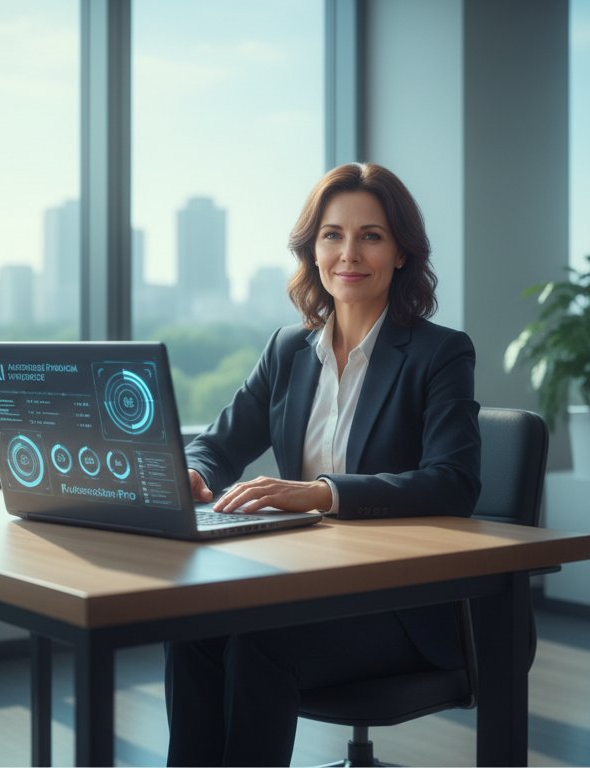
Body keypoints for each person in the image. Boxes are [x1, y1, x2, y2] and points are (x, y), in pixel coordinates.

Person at [164, 162, 481, 766]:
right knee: (192, 632)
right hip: (305, 585)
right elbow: (218, 443)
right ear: (313, 249)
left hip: (400, 606)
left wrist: (321, 493)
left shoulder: (440, 353)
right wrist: (196, 474)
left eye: (371, 236)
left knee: (259, 644)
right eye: (333, 235)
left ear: (401, 253)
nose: (349, 254)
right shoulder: (287, 349)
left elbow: (454, 482)